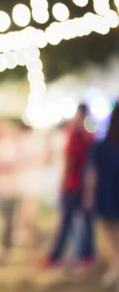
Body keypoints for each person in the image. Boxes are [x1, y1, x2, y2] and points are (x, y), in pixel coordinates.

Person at [41, 104, 95, 269]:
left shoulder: (78, 135)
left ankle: (58, 255)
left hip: (73, 185)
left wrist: (64, 182)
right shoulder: (88, 136)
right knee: (82, 222)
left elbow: (70, 161)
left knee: (67, 221)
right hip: (81, 184)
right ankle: (83, 255)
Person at [84, 105, 119, 291]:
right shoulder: (102, 146)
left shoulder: (102, 146)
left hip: (107, 194)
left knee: (111, 234)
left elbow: (92, 174)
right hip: (110, 193)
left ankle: (115, 265)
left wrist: (88, 196)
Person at [0, 121, 21, 264]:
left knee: (8, 221)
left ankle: (5, 249)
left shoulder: (11, 147)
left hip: (11, 189)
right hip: (0, 188)